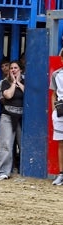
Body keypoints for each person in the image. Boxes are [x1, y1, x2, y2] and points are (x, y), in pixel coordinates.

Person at [0, 61, 24, 180]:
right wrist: (13, 83)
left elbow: (28, 93)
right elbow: (8, 95)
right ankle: (3, 171)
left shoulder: (26, 81)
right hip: (7, 116)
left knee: (23, 145)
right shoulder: (5, 82)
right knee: (6, 144)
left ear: (20, 70)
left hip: (22, 118)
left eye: (16, 68)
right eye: (11, 68)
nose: (13, 70)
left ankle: (24, 170)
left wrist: (19, 82)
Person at [50, 47, 63, 185]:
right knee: (61, 143)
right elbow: (54, 93)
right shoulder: (57, 74)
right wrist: (54, 110)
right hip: (61, 111)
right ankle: (61, 173)